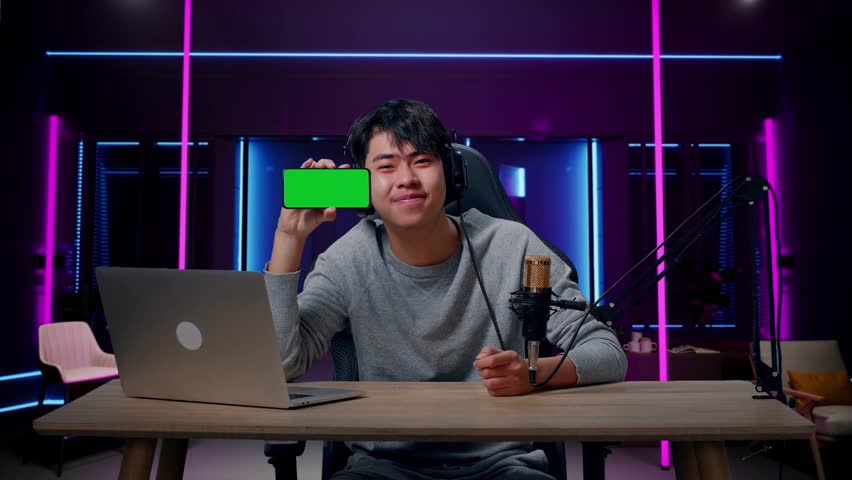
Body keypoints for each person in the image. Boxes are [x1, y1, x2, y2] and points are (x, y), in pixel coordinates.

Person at [265, 99, 627, 479]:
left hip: (503, 466)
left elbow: (606, 353)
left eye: (422, 161)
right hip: (381, 468)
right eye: (386, 166)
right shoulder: (347, 258)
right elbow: (283, 364)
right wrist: (288, 237)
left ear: (451, 172)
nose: (407, 178)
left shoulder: (513, 245)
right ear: (362, 184)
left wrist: (532, 374)